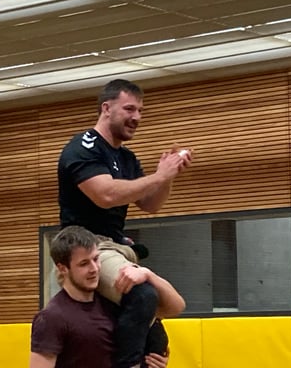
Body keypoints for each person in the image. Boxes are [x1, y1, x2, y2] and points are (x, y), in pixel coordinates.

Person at [58, 79, 192, 367]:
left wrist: (167, 177)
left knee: (157, 335)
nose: (137, 117)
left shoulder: (127, 158)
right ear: (106, 108)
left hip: (117, 247)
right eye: (130, 109)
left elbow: (151, 204)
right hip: (87, 245)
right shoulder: (83, 147)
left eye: (141, 111)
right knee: (142, 295)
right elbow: (106, 195)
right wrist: (158, 176)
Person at [30, 226, 183, 368]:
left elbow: (176, 307)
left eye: (96, 259)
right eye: (84, 264)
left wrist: (147, 274)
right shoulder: (52, 318)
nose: (94, 268)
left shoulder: (113, 303)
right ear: (63, 268)